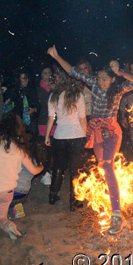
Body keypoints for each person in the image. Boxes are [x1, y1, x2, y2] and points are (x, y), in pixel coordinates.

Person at [47, 45, 133, 234]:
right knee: (102, 167)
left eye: (105, 79)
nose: (101, 82)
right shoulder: (94, 84)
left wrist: (120, 71)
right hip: (96, 132)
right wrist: (57, 57)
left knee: (107, 166)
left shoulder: (118, 88)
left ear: (112, 79)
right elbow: (72, 71)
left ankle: (116, 215)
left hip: (111, 131)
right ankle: (113, 201)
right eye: (99, 78)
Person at [45, 67, 87, 210]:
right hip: (77, 136)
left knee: (58, 167)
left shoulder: (53, 96)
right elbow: (82, 119)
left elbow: (51, 119)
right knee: (76, 170)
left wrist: (47, 136)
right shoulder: (78, 95)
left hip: (60, 136)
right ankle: (74, 200)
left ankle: (52, 195)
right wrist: (85, 135)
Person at [36, 66, 55, 186]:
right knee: (45, 150)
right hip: (44, 122)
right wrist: (52, 90)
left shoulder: (55, 88)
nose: (47, 75)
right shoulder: (39, 89)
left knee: (53, 149)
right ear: (41, 75)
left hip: (55, 122)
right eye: (44, 73)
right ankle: (45, 173)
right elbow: (45, 103)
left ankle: (49, 170)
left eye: (49, 73)